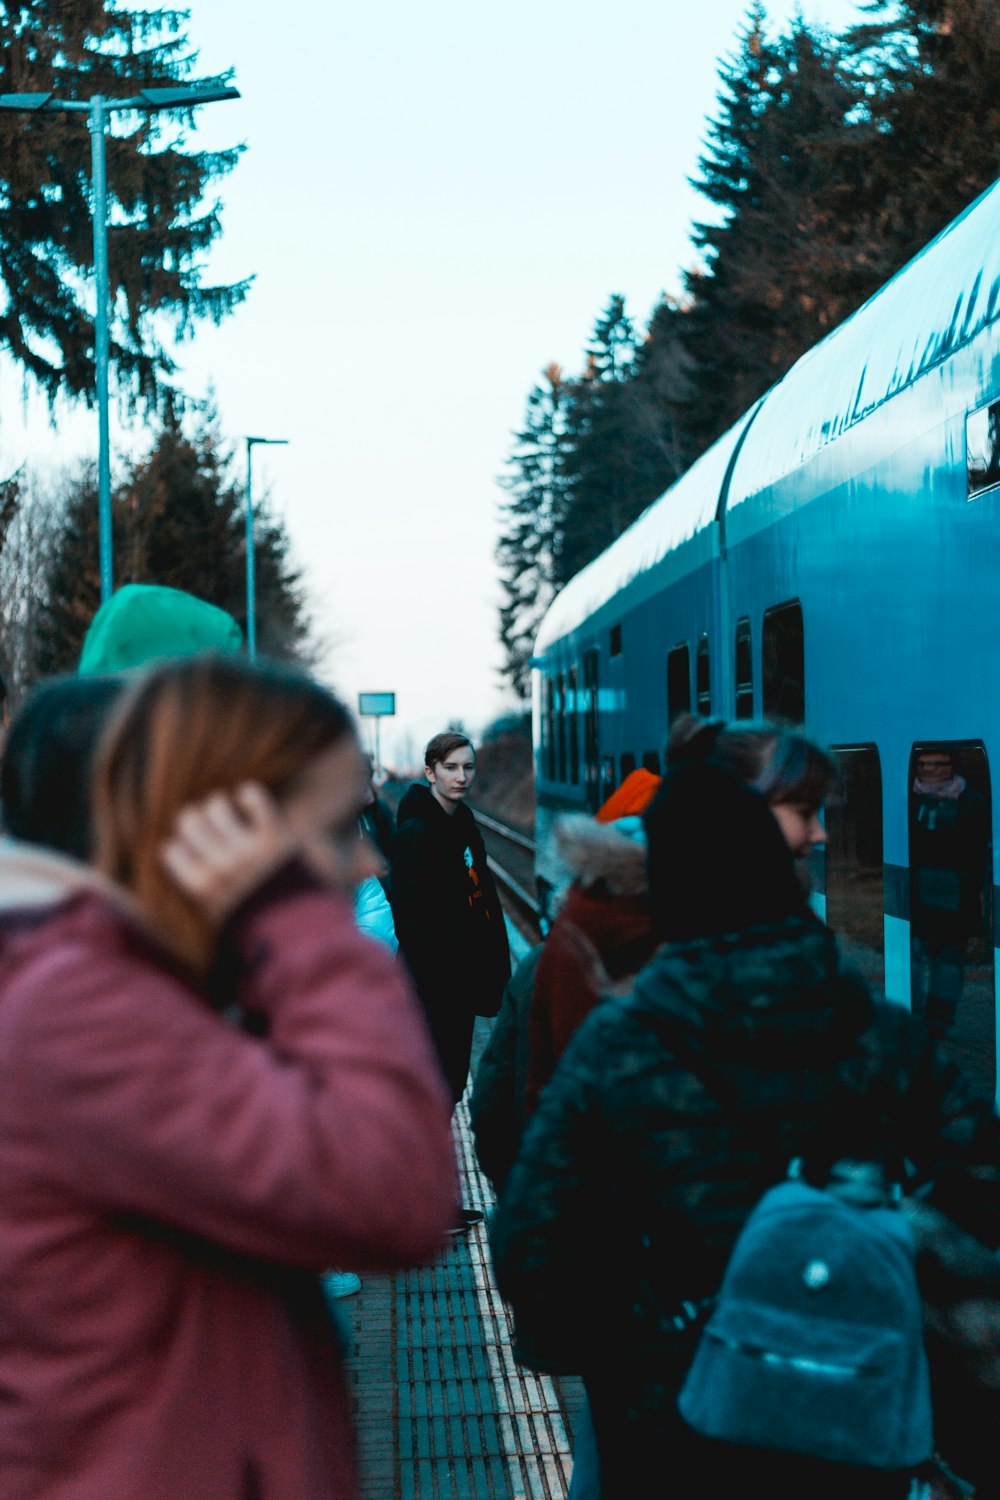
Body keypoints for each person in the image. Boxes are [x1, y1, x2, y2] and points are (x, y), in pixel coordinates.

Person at [489, 723, 1000, 1500]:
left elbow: (531, 1248)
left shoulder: (616, 1048)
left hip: (672, 1428)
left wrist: (637, 1347)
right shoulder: (876, 1033)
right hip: (848, 1416)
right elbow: (980, 1190)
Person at [0, 654, 457, 1500]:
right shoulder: (82, 1012)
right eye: (327, 837)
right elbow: (395, 1187)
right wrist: (297, 922)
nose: (367, 866)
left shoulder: (112, 979)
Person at [390, 730, 512, 1230]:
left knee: (447, 1086)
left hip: (458, 985)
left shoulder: (461, 823)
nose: (462, 777)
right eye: (452, 768)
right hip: (435, 986)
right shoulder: (419, 833)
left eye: (469, 768)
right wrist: (445, 979)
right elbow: (416, 923)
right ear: (430, 771)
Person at [909, 746, 990, 1041]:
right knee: (913, 954)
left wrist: (972, 891)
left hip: (955, 895)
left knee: (948, 959)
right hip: (915, 892)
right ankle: (912, 1012)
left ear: (952, 766)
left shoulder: (971, 802)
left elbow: (978, 850)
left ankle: (939, 1019)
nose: (929, 770)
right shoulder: (910, 799)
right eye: (923, 764)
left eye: (938, 764)